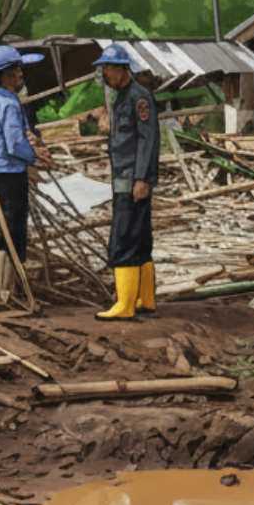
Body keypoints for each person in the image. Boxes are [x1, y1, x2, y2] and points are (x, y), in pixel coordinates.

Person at [94, 43, 159, 321]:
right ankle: (146, 298)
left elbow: (148, 139)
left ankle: (125, 304)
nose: (104, 74)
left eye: (108, 69)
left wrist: (142, 178)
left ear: (122, 69)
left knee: (123, 239)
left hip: (131, 179)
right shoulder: (120, 97)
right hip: (125, 177)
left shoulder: (138, 97)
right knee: (141, 238)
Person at [0, 44, 49, 270]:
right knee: (14, 232)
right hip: (10, 174)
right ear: (7, 76)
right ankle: (12, 284)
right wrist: (34, 156)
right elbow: (15, 144)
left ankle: (5, 285)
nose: (21, 76)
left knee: (2, 229)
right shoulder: (8, 104)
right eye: (18, 72)